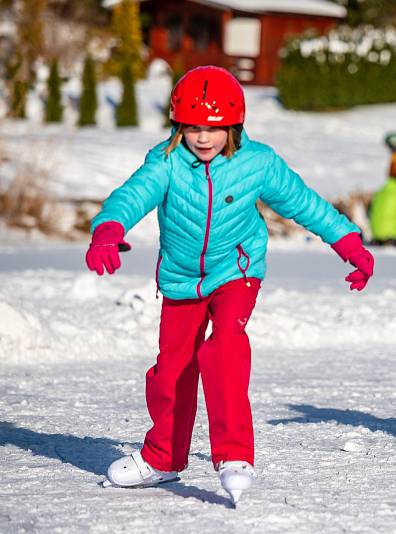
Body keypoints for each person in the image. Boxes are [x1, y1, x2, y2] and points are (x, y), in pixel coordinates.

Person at [85, 66, 374, 504]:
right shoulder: (164, 163)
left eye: (215, 128)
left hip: (237, 271)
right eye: (195, 126)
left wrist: (349, 243)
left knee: (224, 348)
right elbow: (133, 194)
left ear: (234, 125)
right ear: (178, 125)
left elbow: (303, 202)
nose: (204, 137)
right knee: (171, 372)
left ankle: (235, 454)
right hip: (181, 280)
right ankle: (163, 459)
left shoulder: (256, 163)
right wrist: (108, 228)